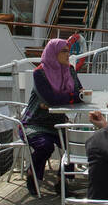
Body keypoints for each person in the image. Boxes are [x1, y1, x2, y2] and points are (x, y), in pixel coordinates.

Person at [20, 36, 85, 196]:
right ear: (53, 52)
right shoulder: (40, 73)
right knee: (45, 146)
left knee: (73, 144)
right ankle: (32, 175)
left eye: (68, 51)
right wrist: (72, 97)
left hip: (57, 122)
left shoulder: (69, 70)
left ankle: (62, 181)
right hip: (34, 123)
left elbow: (81, 91)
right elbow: (51, 99)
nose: (67, 54)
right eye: (63, 51)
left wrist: (71, 96)